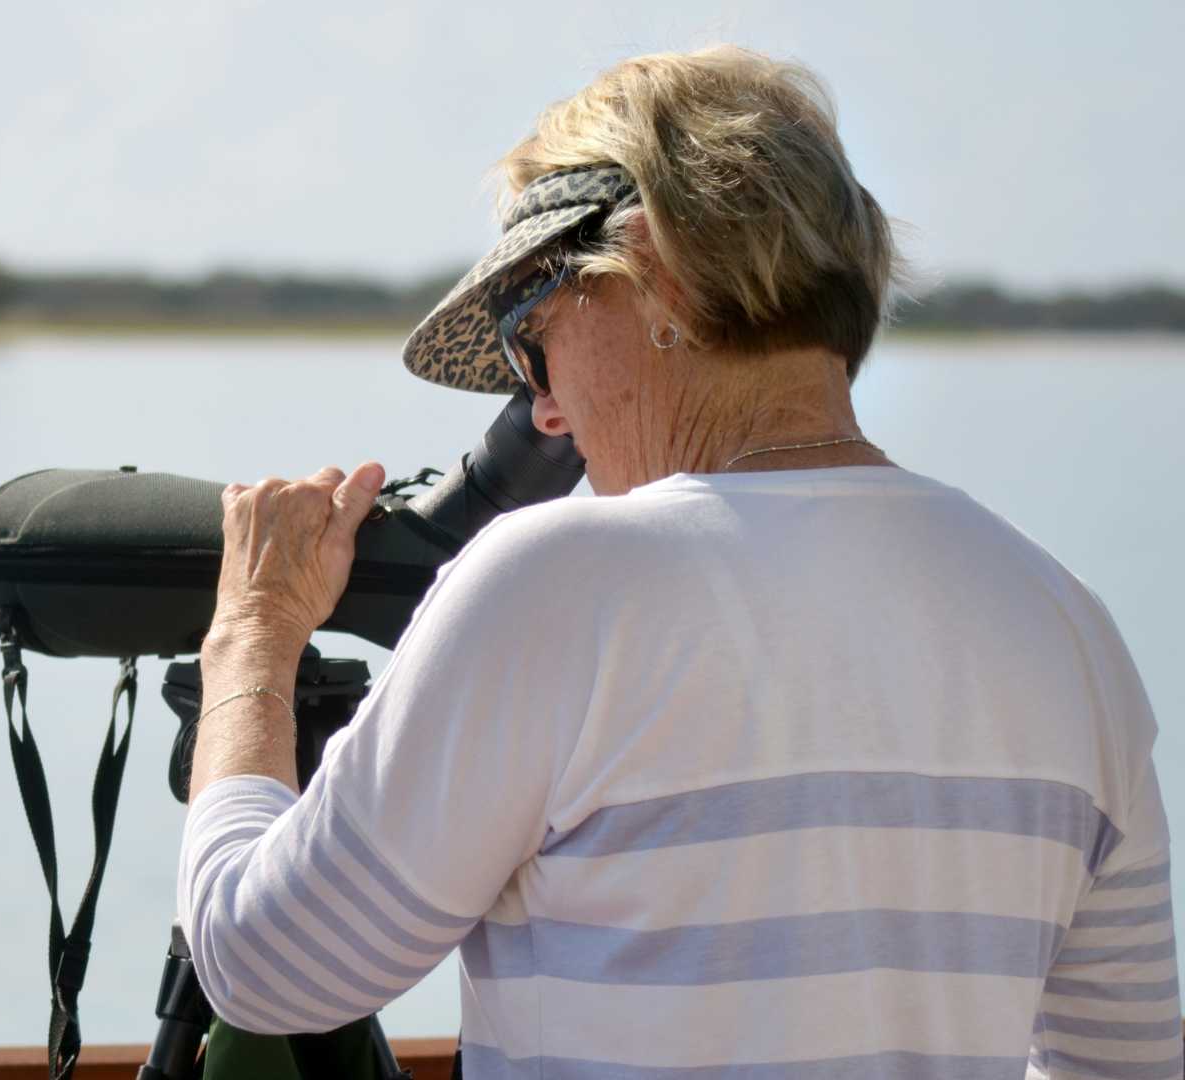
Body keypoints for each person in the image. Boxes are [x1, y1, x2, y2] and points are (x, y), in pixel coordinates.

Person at [175, 45, 1178, 1079]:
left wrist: (252, 633)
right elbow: (1126, 1062)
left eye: (531, 337)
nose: (545, 409)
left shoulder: (559, 583)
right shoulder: (1067, 622)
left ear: (655, 271)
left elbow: (265, 968)